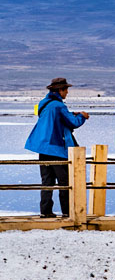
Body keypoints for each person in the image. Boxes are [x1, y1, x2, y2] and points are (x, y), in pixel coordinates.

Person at [25, 78, 88, 219]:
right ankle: (67, 212)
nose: (67, 92)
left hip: (43, 147)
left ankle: (45, 211)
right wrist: (82, 116)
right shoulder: (59, 106)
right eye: (66, 90)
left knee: (47, 181)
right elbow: (72, 123)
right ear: (60, 90)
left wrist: (72, 113)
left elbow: (56, 118)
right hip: (56, 148)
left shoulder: (45, 104)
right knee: (64, 182)